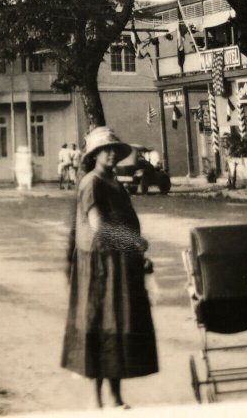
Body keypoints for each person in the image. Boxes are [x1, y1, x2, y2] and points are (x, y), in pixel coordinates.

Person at [61, 126, 158, 409]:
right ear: (94, 155)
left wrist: (138, 256)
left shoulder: (114, 182)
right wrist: (135, 244)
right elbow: (100, 228)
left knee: (117, 326)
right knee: (99, 327)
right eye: (106, 150)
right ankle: (96, 401)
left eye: (114, 149)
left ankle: (115, 398)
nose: (112, 153)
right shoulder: (91, 182)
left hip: (120, 263)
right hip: (98, 265)